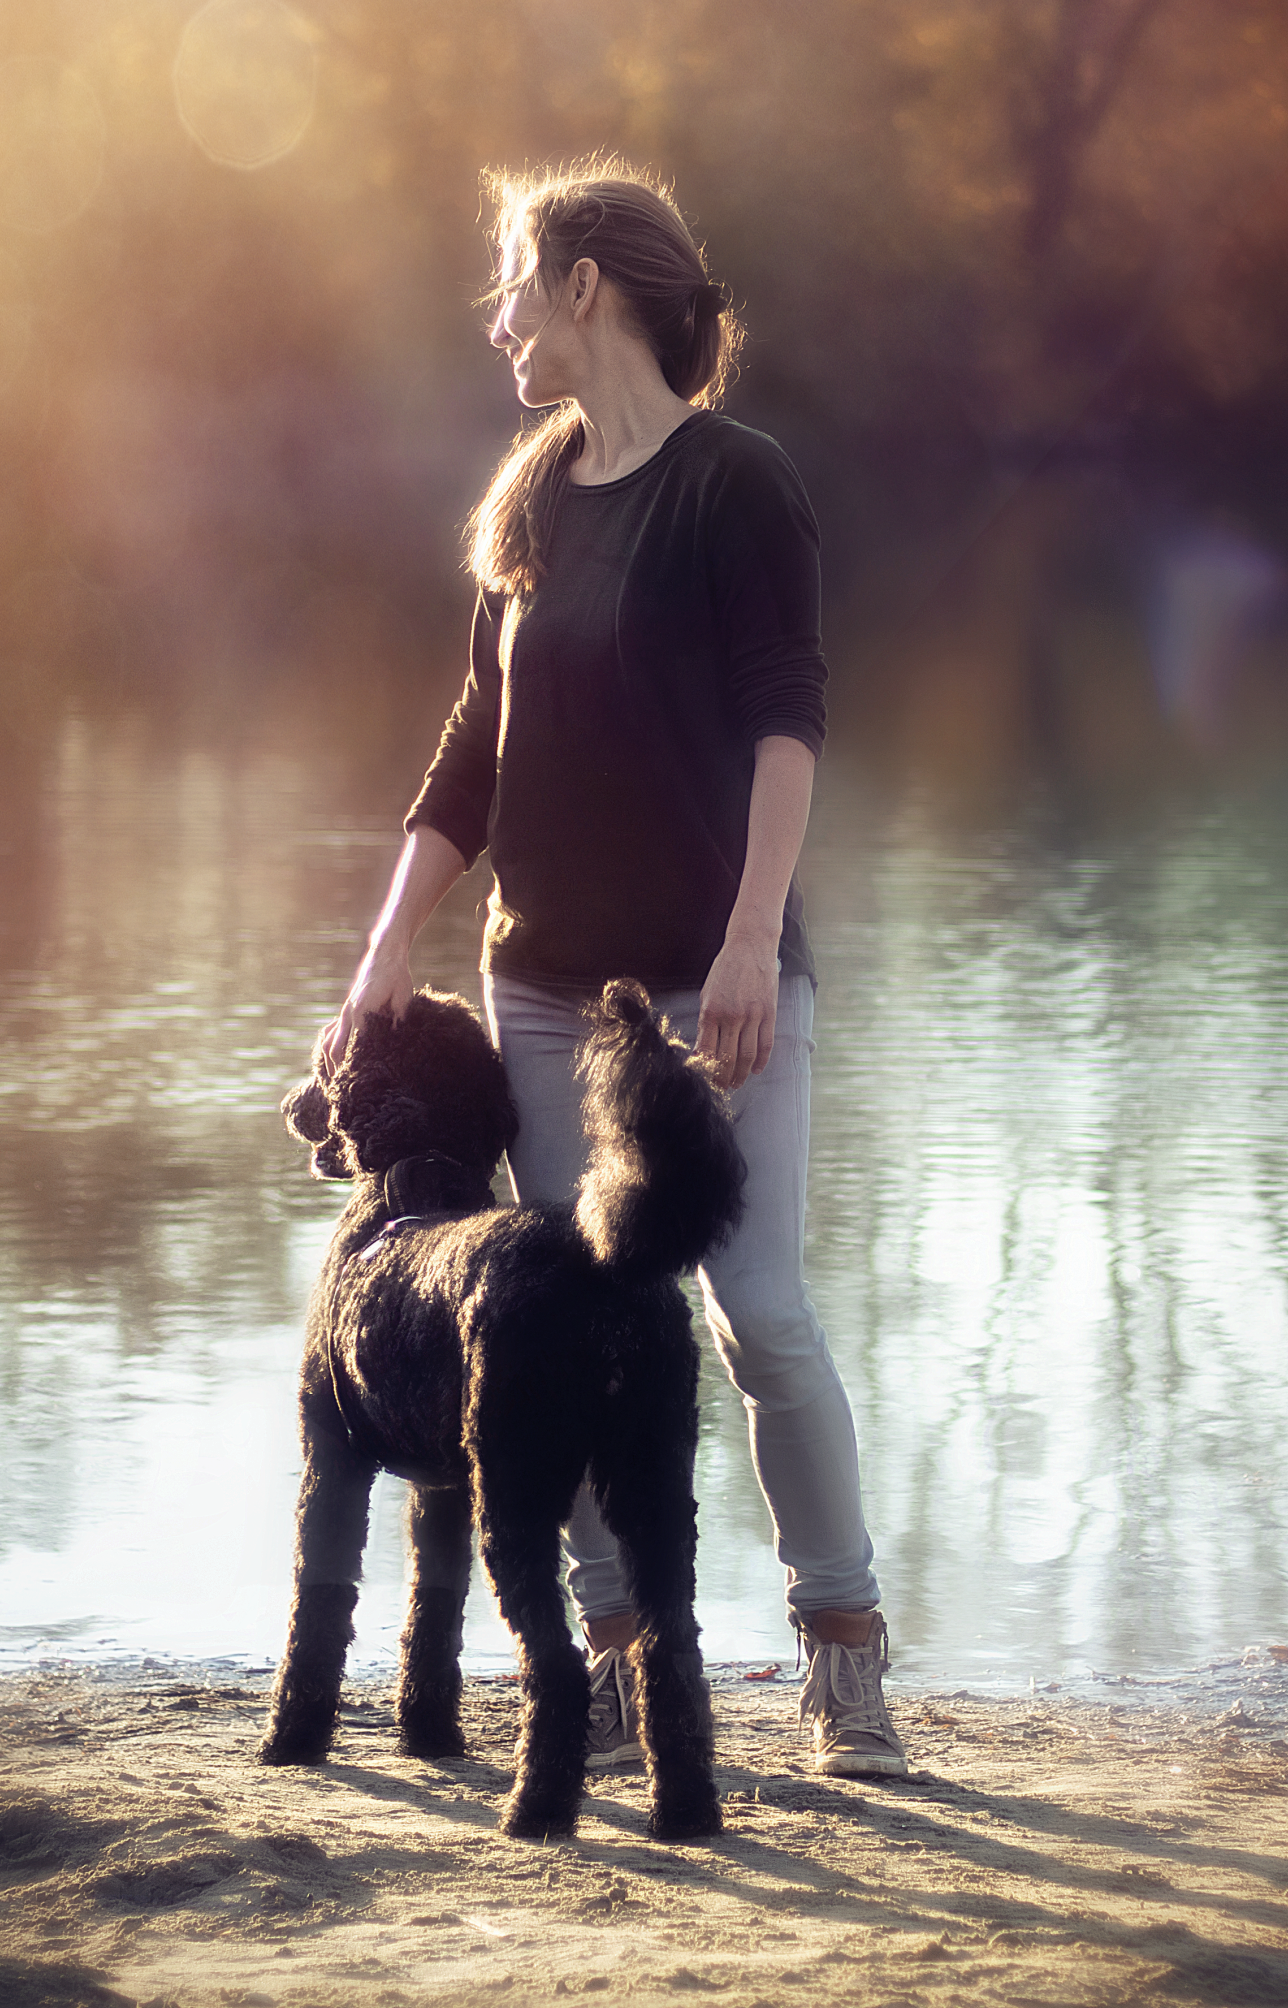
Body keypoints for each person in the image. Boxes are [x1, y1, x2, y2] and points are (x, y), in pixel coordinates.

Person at [321, 162, 905, 1780]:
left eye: (516, 284)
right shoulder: (525, 502)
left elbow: (789, 712)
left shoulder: (736, 483)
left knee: (757, 1313)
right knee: (566, 1325)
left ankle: (844, 1655)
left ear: (587, 286)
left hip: (718, 988)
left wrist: (750, 931)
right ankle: (626, 1660)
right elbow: (474, 748)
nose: (498, 318)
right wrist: (387, 942)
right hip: (542, 993)